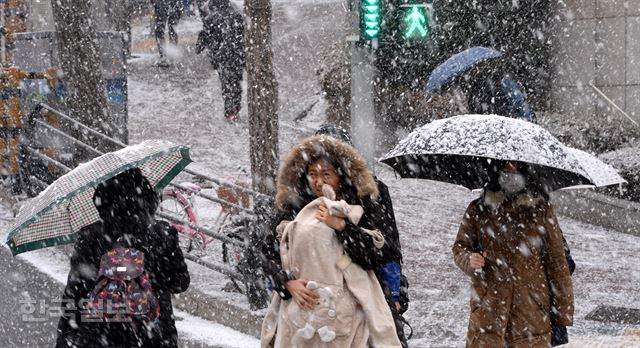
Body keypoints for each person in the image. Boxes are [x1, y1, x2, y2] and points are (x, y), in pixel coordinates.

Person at [260, 135, 401, 347]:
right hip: (301, 314)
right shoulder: (294, 207)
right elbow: (268, 252)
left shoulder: (361, 206)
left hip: (353, 315)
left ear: (340, 175)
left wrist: (342, 227)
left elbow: (381, 253)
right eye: (312, 174)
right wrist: (287, 282)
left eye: (327, 174)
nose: (319, 181)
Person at [55, 168, 190, 348]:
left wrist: (65, 337)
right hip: (153, 334)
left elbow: (75, 292)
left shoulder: (91, 237)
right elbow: (180, 282)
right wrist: (150, 278)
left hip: (101, 335)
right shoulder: (162, 234)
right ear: (148, 196)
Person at [452, 160, 574, 347]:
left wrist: (562, 312)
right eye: (505, 165)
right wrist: (469, 259)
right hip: (488, 307)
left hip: (531, 310)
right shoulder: (479, 209)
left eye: (516, 165)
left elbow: (557, 262)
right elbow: (460, 247)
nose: (510, 169)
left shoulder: (541, 211)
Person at [314, 124, 411, 346]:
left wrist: (396, 295)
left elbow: (386, 249)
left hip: (369, 297)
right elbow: (275, 248)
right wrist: (288, 285)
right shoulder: (302, 194)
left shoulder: (371, 191)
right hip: (319, 303)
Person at [195, 0, 245, 122]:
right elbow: (243, 35)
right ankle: (236, 108)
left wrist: (199, 46)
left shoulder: (211, 19)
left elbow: (204, 37)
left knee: (226, 85)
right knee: (236, 82)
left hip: (221, 58)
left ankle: (229, 111)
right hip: (237, 56)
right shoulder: (237, 15)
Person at [153, 0, 183, 65]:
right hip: (175, 4)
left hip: (162, 4)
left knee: (160, 29)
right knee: (172, 29)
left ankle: (164, 56)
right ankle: (170, 56)